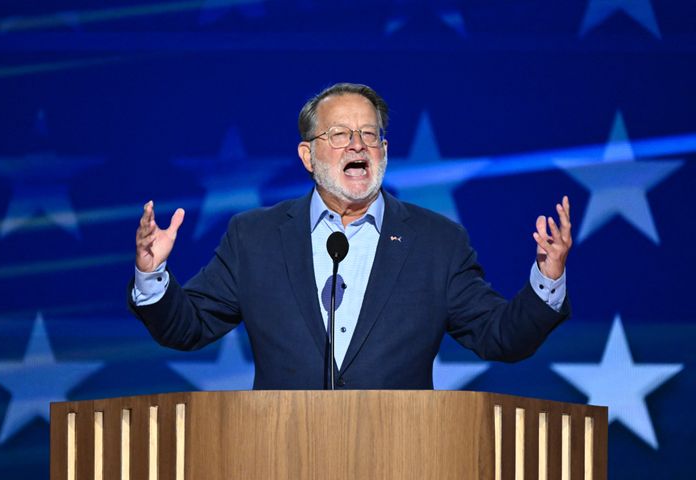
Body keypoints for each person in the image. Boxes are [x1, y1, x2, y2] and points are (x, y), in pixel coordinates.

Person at [128, 83, 572, 390]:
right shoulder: (255, 238)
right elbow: (188, 328)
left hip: (401, 457)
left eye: (369, 135)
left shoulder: (437, 242)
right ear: (308, 155)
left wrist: (546, 281)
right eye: (339, 134)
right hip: (280, 455)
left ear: (384, 151)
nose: (357, 145)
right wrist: (153, 275)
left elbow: (499, 336)